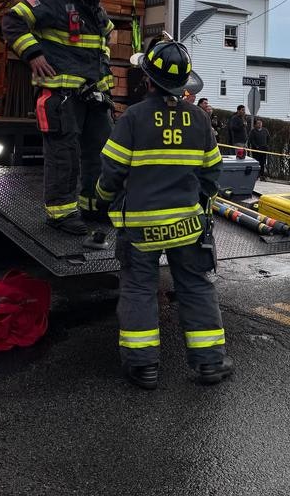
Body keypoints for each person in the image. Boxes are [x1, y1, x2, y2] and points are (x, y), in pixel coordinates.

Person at [95, 39, 232, 389]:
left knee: (139, 289)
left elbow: (111, 173)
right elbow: (213, 174)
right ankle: (210, 364)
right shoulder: (200, 120)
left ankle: (144, 368)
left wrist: (100, 200)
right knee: (196, 287)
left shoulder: (133, 118)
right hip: (188, 227)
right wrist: (196, 199)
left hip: (141, 229)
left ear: (147, 79)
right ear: (185, 83)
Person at [2, 0, 115, 236]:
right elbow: (12, 21)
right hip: (62, 96)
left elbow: (104, 41)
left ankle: (93, 206)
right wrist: (33, 54)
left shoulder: (94, 7)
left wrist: (104, 79)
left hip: (94, 95)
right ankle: (61, 214)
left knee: (100, 153)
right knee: (64, 155)